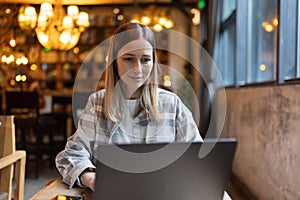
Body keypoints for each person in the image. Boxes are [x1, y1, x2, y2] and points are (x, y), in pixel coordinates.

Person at [55, 22, 203, 191]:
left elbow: (196, 157)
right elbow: (71, 155)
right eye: (129, 59)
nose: (137, 68)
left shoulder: (172, 104)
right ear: (115, 62)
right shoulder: (97, 103)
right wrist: (91, 178)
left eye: (145, 60)